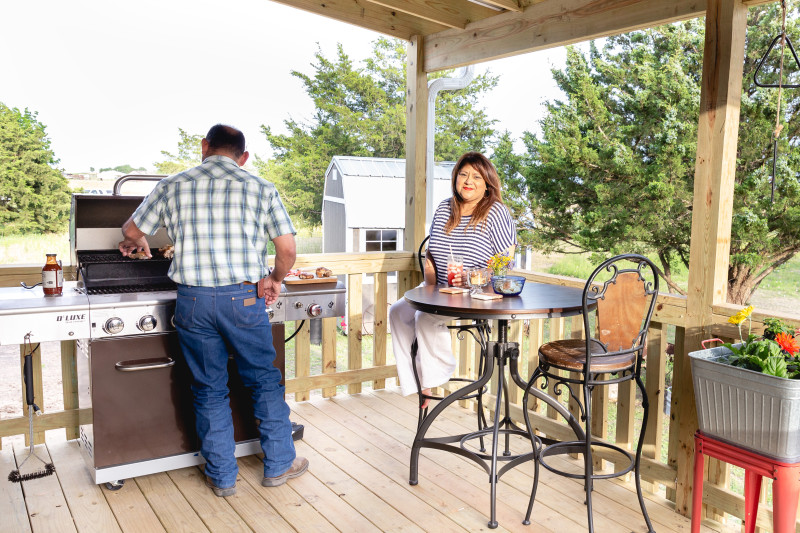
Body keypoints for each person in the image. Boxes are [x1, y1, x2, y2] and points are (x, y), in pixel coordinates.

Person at [118, 124, 307, 497]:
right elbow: (286, 251)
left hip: (194, 301)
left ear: (204, 147)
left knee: (208, 388)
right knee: (263, 381)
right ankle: (279, 464)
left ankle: (222, 477)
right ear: (244, 156)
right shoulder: (261, 187)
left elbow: (131, 228)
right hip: (244, 298)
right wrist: (274, 279)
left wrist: (139, 242)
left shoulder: (173, 184)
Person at [389, 152, 517, 408]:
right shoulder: (445, 208)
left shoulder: (496, 212)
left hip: (478, 292)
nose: (468, 181)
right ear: (455, 178)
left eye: (476, 176)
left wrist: (471, 278)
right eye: (463, 174)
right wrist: (430, 285)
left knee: (424, 317)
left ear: (487, 183)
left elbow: (507, 261)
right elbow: (432, 254)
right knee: (397, 311)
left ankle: (433, 381)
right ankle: (417, 382)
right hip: (442, 287)